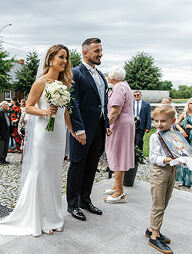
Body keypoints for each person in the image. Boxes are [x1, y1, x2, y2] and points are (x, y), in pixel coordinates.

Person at [0, 44, 75, 236]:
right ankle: (39, 218)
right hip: (44, 133)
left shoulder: (65, 84)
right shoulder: (41, 82)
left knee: (55, 175)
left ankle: (53, 216)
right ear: (50, 59)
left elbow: (66, 112)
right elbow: (28, 107)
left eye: (66, 58)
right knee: (41, 172)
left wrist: (73, 132)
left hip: (59, 134)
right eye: (61, 57)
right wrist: (45, 112)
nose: (64, 61)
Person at [66, 38, 107, 221]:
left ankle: (85, 199)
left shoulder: (101, 75)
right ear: (85, 53)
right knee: (77, 165)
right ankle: (72, 204)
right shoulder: (75, 73)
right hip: (82, 129)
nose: (100, 54)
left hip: (98, 128)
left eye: (100, 50)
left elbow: (101, 104)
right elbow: (72, 103)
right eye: (96, 51)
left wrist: (106, 125)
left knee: (91, 165)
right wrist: (79, 129)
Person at [145, 105, 180, 254]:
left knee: (165, 201)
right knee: (158, 204)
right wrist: (166, 159)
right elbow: (153, 157)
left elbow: (179, 150)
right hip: (160, 171)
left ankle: (150, 228)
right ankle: (154, 235)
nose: (159, 124)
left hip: (172, 170)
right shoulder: (155, 136)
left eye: (163, 121)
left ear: (172, 121)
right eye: (156, 121)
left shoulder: (174, 135)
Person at [103, 67, 135, 203]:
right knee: (117, 154)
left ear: (112, 77)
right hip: (125, 124)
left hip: (119, 124)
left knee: (117, 154)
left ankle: (119, 192)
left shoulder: (118, 88)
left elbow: (115, 111)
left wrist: (106, 125)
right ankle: (116, 185)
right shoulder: (125, 86)